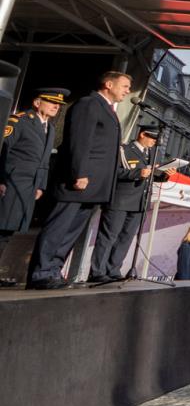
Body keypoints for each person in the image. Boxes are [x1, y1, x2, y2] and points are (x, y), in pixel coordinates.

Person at [30, 72, 132, 288]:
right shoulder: (89, 104)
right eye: (124, 85)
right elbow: (80, 141)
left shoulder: (108, 110)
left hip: (94, 185)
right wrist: (79, 173)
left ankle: (54, 271)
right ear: (108, 84)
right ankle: (41, 273)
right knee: (59, 227)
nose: (128, 90)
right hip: (77, 181)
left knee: (72, 231)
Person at [88, 120, 172, 282]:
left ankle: (113, 269)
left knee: (126, 237)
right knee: (109, 236)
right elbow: (114, 172)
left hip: (140, 201)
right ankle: (97, 271)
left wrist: (165, 173)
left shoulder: (152, 153)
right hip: (120, 200)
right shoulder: (124, 150)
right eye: (152, 138)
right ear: (142, 134)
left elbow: (153, 175)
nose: (155, 142)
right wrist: (136, 174)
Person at [0, 88, 66, 246]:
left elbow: (44, 161)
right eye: (52, 102)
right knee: (2, 228)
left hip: (29, 186)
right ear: (37, 102)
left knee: (10, 230)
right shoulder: (19, 121)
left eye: (59, 104)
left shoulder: (49, 128)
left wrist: (40, 185)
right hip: (11, 182)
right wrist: (1, 179)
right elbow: (3, 150)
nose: (56, 106)